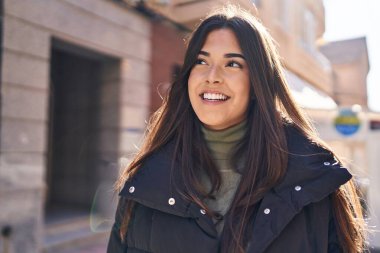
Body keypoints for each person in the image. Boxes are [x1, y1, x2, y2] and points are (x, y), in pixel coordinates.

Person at [107, 5, 367, 253]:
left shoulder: (314, 179)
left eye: (232, 64)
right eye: (201, 61)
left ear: (258, 83)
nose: (212, 76)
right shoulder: (144, 182)